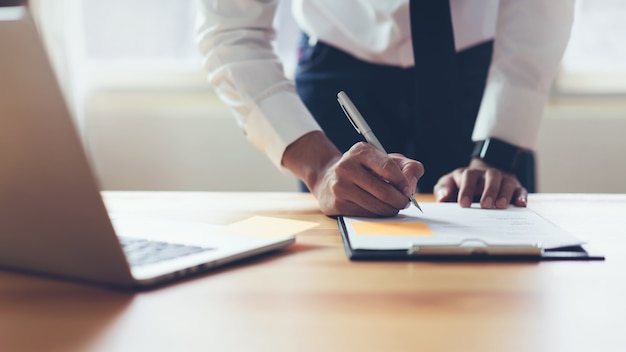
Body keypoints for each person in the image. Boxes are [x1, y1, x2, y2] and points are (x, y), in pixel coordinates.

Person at [196, 0, 574, 217]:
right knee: (340, 280)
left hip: (488, 72)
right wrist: (321, 168)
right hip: (339, 67)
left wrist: (499, 148)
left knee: (499, 268)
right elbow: (230, 32)